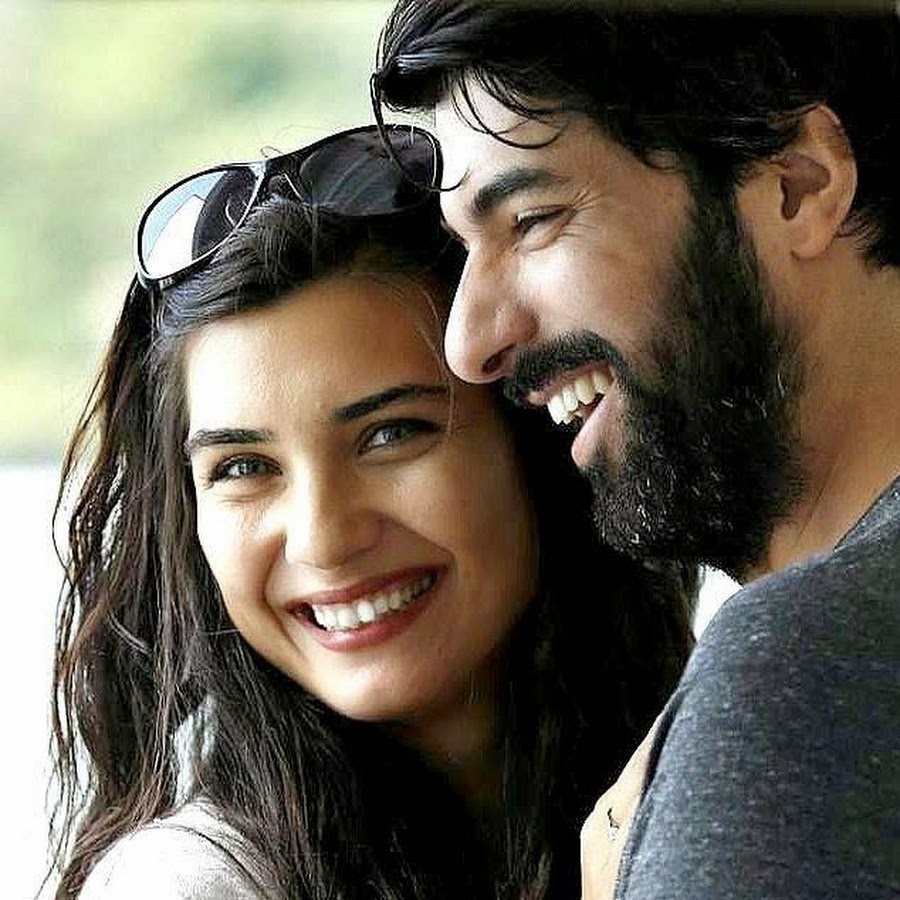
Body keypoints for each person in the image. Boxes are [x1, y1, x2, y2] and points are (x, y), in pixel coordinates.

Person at [49, 125, 695, 900]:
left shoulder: (722, 765)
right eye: (245, 468)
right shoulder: (191, 884)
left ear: (537, 447)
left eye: (390, 435)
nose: (324, 538)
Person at [372, 2, 900, 898]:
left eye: (533, 219)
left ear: (799, 185)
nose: (469, 343)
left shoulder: (807, 675)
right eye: (464, 250)